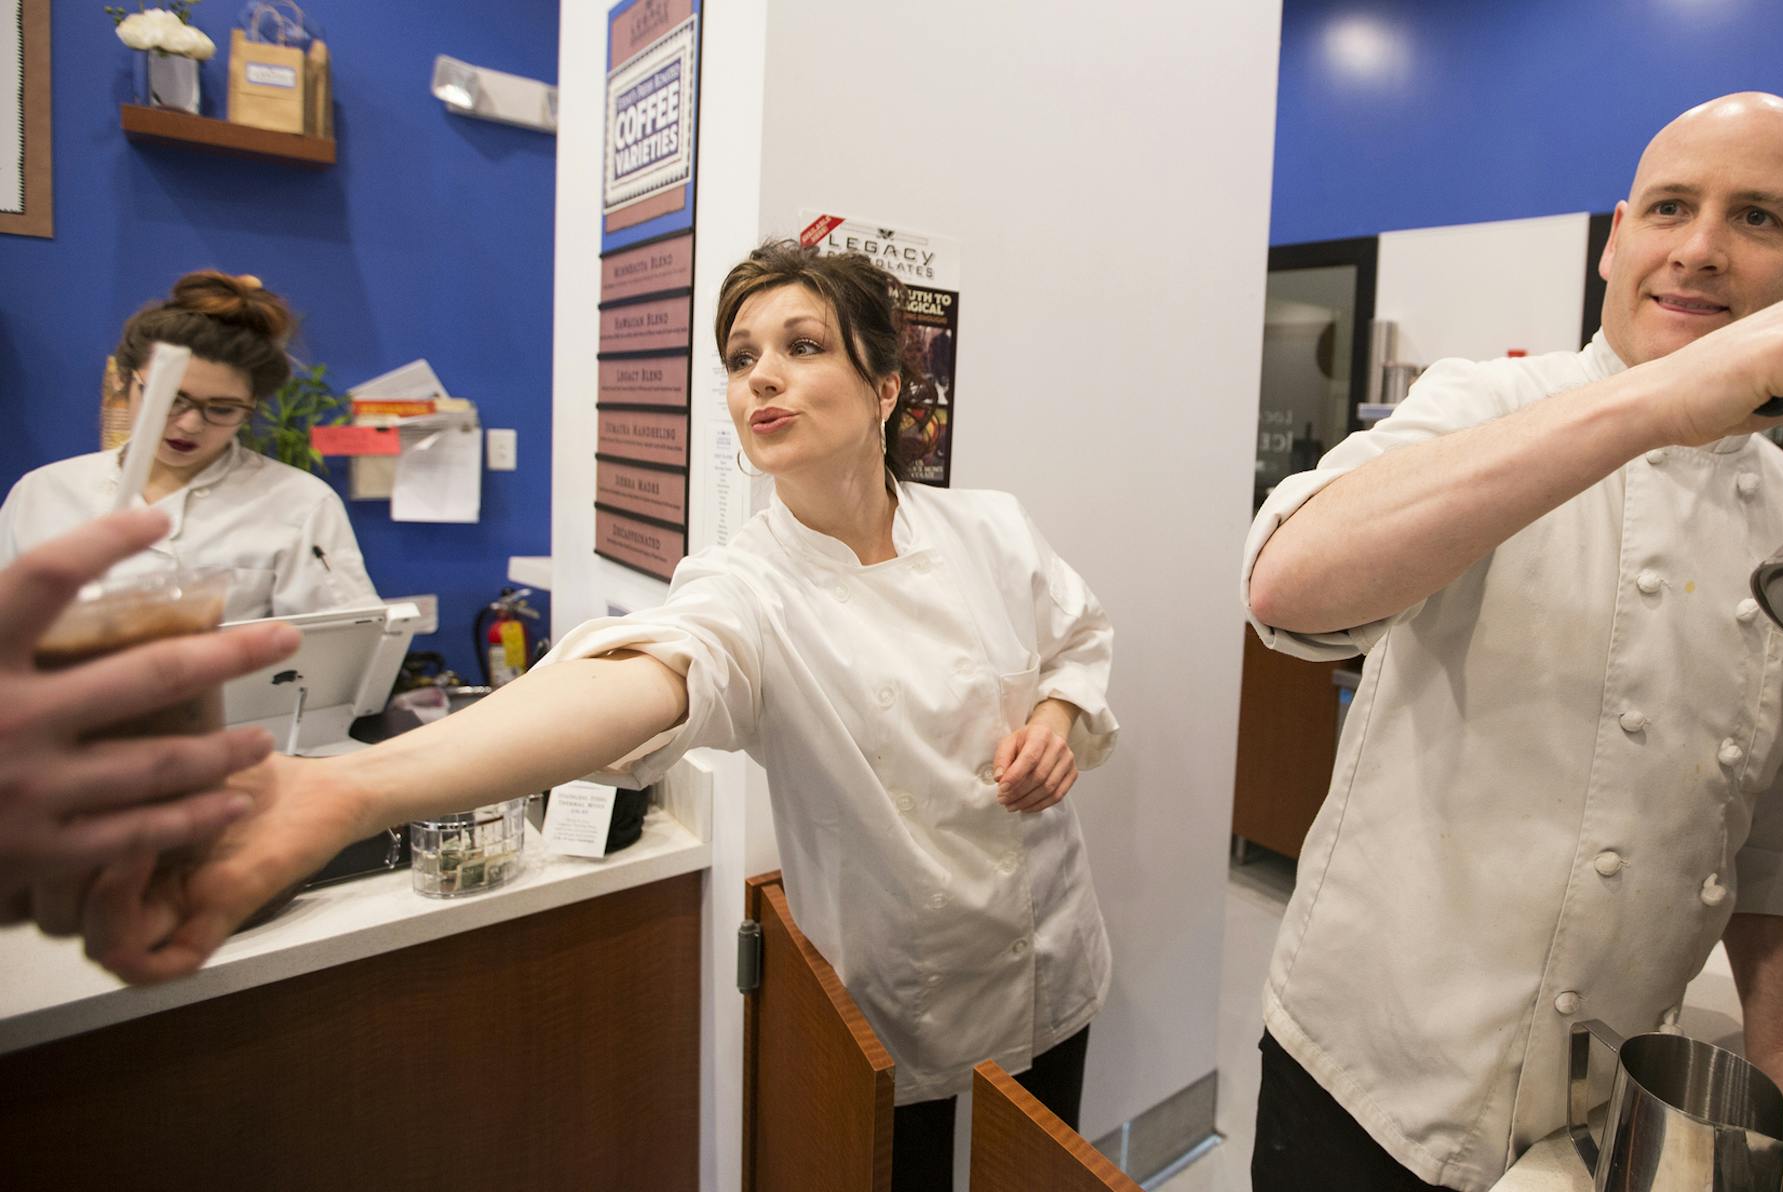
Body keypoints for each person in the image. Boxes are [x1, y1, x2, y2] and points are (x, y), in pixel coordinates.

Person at [77, 242, 1119, 1192]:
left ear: (887, 387)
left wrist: (1063, 718)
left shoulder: (990, 528)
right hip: (908, 992)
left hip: (1049, 948)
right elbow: (654, 670)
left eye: (801, 346)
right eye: (741, 353)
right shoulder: (743, 583)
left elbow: (1077, 640)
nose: (759, 374)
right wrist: (355, 788)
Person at [1241, 94, 1783, 1192]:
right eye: (1672, 207)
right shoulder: (1488, 403)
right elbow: (1288, 592)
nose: (1701, 249)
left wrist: (1781, 1055)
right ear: (1619, 236)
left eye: (1758, 219)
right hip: (1367, 1071)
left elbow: (1781, 837)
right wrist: (1662, 400)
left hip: (1609, 1104)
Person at [0, 270, 379, 621]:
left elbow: (346, 646)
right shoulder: (43, 493)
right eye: (170, 398)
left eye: (223, 408)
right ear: (124, 382)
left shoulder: (300, 504)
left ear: (250, 409)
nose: (190, 423)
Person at [1, 508, 299, 930]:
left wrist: (327, 792)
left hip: (217, 771)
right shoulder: (39, 493)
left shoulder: (298, 501)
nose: (191, 435)